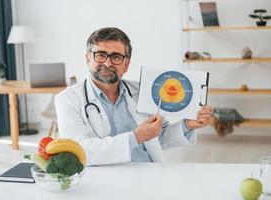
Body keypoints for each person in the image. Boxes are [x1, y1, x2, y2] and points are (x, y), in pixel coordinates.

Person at [55, 27, 212, 166]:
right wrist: (135, 137)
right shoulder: (68, 99)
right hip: (102, 179)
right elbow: (77, 150)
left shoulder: (142, 91)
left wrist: (187, 125)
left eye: (116, 57)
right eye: (101, 55)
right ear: (88, 59)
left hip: (147, 175)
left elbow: (158, 136)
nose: (108, 63)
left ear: (126, 64)